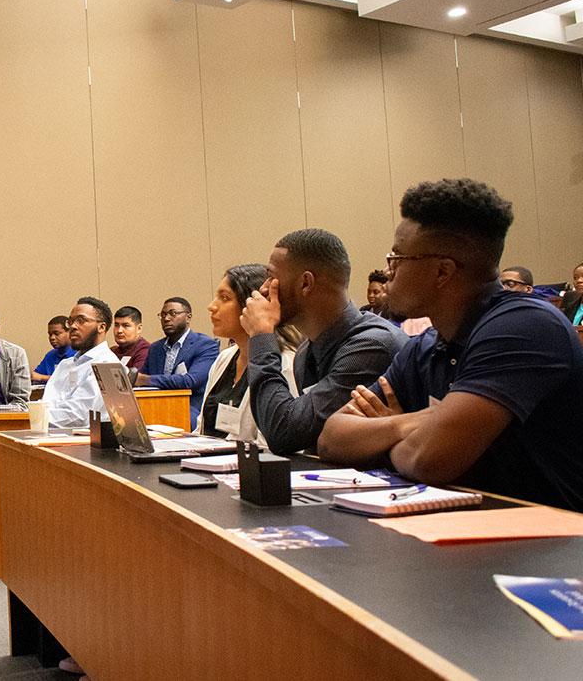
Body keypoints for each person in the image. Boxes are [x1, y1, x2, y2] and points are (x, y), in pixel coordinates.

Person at [318, 178, 583, 511]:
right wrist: (412, 422)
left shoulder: (525, 327)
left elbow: (429, 461)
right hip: (469, 534)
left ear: (442, 272)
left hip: (552, 547)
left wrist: (387, 438)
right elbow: (332, 437)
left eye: (397, 259)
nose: (389, 273)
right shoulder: (426, 345)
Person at [241, 228, 407, 456]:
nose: (263, 288)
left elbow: (283, 432)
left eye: (271, 277)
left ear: (306, 283)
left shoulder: (372, 345)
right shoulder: (305, 352)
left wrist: (261, 335)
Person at [196, 265, 299, 447]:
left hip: (248, 470)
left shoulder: (285, 363)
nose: (212, 306)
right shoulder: (224, 358)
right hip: (205, 465)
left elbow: (271, 446)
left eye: (225, 298)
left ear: (252, 306)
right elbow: (201, 429)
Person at [135, 297, 219, 429]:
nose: (167, 318)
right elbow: (139, 383)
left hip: (190, 408)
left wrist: (148, 380)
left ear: (188, 317)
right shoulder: (156, 348)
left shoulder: (205, 345)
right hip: (155, 407)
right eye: (163, 315)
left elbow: (190, 381)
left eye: (173, 313)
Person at [42, 297, 121, 428]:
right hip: (49, 435)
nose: (73, 326)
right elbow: (47, 403)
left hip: (82, 443)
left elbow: (78, 416)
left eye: (81, 321)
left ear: (101, 327)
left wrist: (34, 418)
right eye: (71, 321)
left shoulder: (107, 365)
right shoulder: (65, 365)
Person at [31, 316, 75, 383]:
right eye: (50, 334)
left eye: (57, 334)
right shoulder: (50, 355)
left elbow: (73, 380)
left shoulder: (79, 354)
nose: (52, 338)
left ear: (70, 333)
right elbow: (35, 376)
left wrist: (43, 378)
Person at [110, 306, 150, 371]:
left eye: (126, 326)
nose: (119, 330)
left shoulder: (145, 351)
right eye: (116, 325)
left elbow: (135, 379)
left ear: (139, 328)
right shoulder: (113, 351)